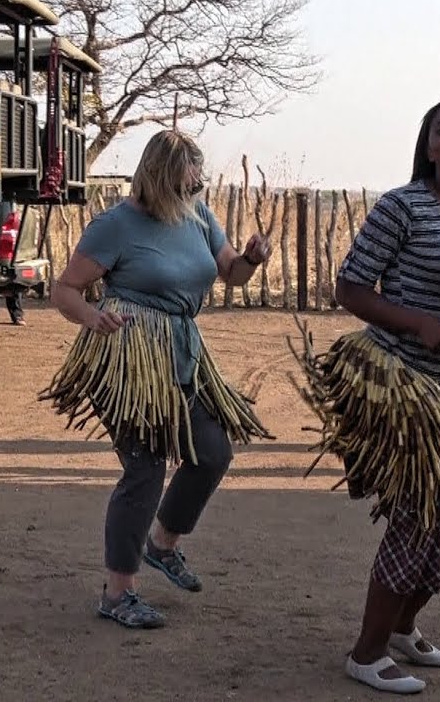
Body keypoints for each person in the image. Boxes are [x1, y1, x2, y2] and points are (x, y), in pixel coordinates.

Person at [294, 99, 440, 695]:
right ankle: (366, 654)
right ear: (428, 150)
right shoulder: (403, 207)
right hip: (391, 376)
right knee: (420, 514)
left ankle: (400, 626)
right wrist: (418, 322)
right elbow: (349, 288)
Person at [39, 129, 272, 628]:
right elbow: (65, 290)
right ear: (162, 177)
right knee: (144, 468)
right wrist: (92, 316)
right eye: (189, 177)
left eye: (198, 177)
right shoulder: (115, 225)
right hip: (127, 357)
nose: (197, 185)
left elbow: (230, 272)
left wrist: (251, 258)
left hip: (181, 354)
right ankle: (118, 593)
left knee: (212, 452)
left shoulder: (198, 216)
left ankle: (162, 544)